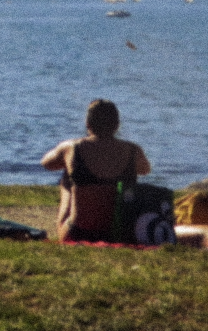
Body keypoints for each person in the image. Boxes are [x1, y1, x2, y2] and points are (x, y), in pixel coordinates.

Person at [42, 99, 151, 242]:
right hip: (119, 233)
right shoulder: (133, 150)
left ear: (88, 123)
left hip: (79, 233)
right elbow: (145, 170)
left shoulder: (72, 147)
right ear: (117, 125)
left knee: (68, 176)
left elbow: (46, 163)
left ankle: (69, 224)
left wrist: (70, 160)